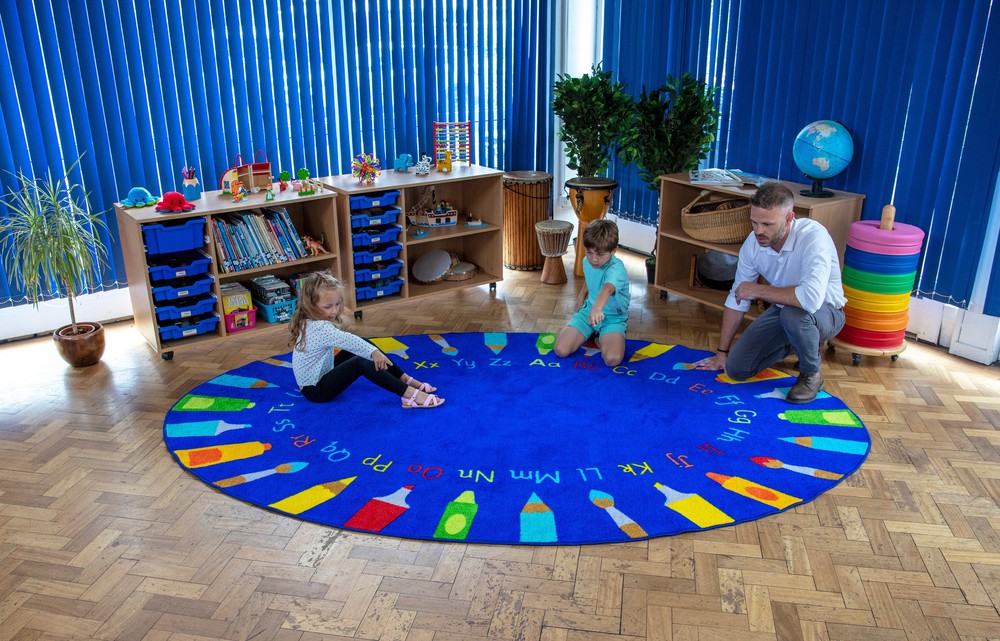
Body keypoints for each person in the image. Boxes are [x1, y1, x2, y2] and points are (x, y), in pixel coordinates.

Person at [694, 181, 846, 403]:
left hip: (826, 312)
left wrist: (758, 290)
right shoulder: (752, 243)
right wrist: (721, 353)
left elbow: (811, 300)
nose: (759, 231)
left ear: (789, 218)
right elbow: (737, 299)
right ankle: (799, 342)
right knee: (737, 369)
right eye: (754, 222)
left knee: (793, 315)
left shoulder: (814, 237)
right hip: (785, 311)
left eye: (767, 224)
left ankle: (811, 375)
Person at [289, 271, 444, 409]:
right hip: (316, 390)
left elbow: (354, 342)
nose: (334, 311)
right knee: (360, 362)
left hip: (321, 373)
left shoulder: (309, 318)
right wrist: (374, 353)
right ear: (311, 305)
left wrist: (372, 351)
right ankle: (410, 394)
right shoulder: (319, 328)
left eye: (337, 304)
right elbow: (347, 339)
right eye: (328, 306)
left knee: (363, 344)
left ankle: (404, 378)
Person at [554, 219, 631, 366]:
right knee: (561, 349)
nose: (594, 259)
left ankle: (599, 338)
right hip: (589, 312)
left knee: (612, 360)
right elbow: (591, 279)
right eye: (589, 252)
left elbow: (607, 288)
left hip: (613, 318)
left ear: (613, 251)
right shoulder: (586, 261)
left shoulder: (617, 269)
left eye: (600, 254)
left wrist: (597, 308)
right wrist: (581, 296)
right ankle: (590, 332)